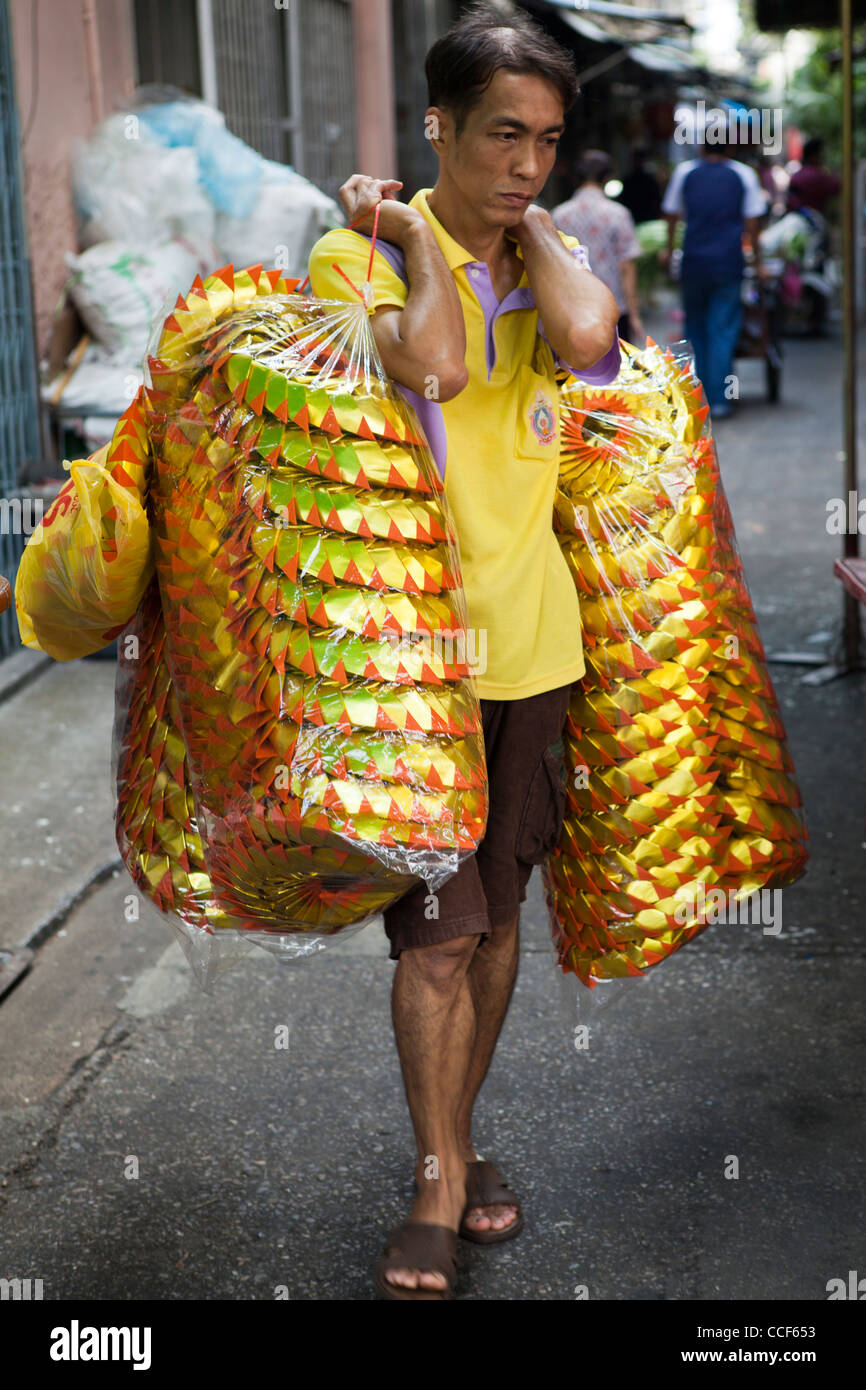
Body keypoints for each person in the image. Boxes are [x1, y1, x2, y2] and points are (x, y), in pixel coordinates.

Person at [307, 1, 619, 1299]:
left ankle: (456, 1137)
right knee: (436, 938)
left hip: (535, 651)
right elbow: (429, 367)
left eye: (545, 143)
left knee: (496, 931)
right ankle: (438, 1178)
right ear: (434, 125)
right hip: (414, 665)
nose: (522, 165)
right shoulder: (350, 254)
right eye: (500, 136)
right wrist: (410, 232)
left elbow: (593, 342)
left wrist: (534, 227)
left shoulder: (547, 245)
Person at [661, 126, 767, 419]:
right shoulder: (744, 175)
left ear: (701, 148)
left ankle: (698, 398)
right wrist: (757, 261)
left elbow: (671, 213)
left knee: (695, 328)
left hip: (693, 261)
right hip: (728, 263)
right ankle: (721, 400)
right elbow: (753, 223)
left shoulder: (685, 173)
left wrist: (670, 250)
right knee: (722, 330)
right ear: (731, 149)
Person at [552, 148, 645, 345]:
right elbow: (627, 266)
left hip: (573, 308)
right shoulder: (618, 213)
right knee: (620, 371)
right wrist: (634, 314)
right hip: (613, 306)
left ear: (576, 178)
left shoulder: (559, 215)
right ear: (607, 178)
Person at [787, 137, 840, 215]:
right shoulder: (816, 176)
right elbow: (836, 186)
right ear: (814, 155)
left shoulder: (797, 175)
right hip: (809, 221)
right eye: (821, 154)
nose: (823, 157)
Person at [618, 146, 662, 225]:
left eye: (640, 160)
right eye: (635, 160)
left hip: (649, 221)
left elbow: (657, 201)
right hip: (631, 219)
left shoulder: (651, 181)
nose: (637, 163)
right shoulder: (627, 181)